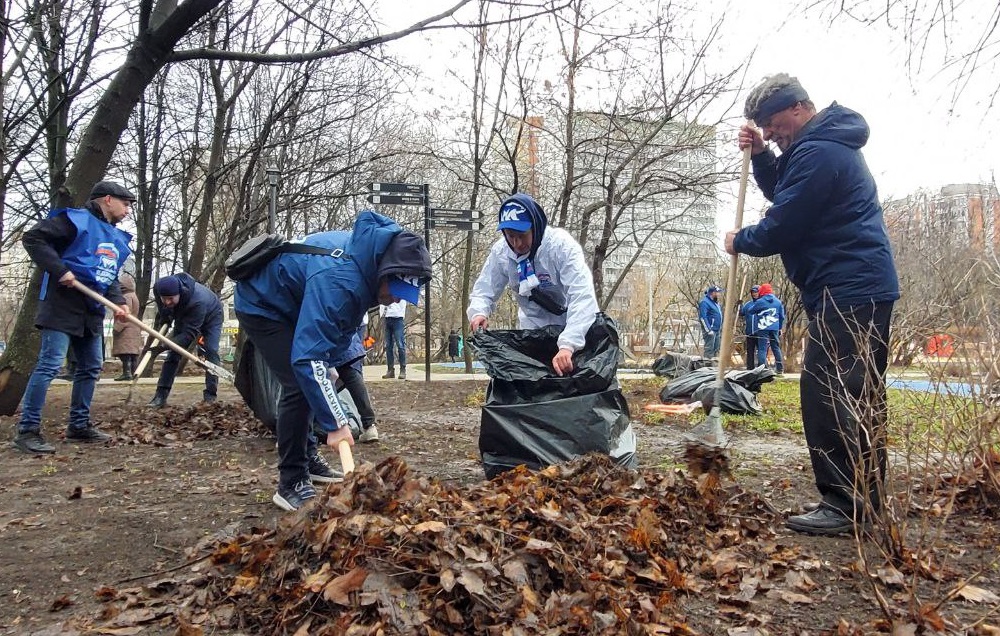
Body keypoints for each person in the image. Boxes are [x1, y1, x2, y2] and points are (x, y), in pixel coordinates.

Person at [725, 73, 899, 536]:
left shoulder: (820, 151)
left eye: (771, 122)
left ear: (798, 107)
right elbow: (784, 190)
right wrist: (763, 157)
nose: (768, 132)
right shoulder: (817, 146)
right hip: (850, 288)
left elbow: (785, 222)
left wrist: (740, 239)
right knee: (855, 395)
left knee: (830, 394)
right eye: (761, 126)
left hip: (849, 289)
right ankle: (861, 498)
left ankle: (846, 505)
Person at [234, 210, 431, 511]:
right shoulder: (342, 279)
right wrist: (335, 423)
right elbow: (308, 357)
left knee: (316, 379)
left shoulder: (365, 268)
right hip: (263, 303)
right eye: (396, 290)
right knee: (299, 384)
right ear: (385, 273)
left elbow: (339, 329)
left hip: (293, 304)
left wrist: (334, 365)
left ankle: (308, 458)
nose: (397, 300)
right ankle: (291, 481)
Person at [12, 180, 134, 454]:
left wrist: (117, 303)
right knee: (50, 364)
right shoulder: (74, 221)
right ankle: (27, 430)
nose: (127, 211)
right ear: (107, 200)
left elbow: (108, 275)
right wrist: (59, 270)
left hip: (91, 310)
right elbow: (33, 238)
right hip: (61, 306)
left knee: (91, 366)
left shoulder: (112, 237)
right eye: (125, 205)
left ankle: (78, 426)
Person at [467, 193, 599, 376]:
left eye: (522, 235)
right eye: (510, 236)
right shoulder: (502, 253)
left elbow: (582, 296)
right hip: (533, 331)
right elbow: (485, 288)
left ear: (535, 228)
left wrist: (568, 345)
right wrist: (479, 312)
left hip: (571, 327)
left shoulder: (560, 247)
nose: (517, 243)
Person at [146, 273, 224, 408]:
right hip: (185, 314)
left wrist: (165, 345)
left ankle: (210, 396)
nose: (167, 302)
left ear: (179, 294)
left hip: (212, 316)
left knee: (211, 351)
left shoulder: (197, 301)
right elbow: (163, 308)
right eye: (164, 299)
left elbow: (189, 335)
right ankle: (160, 396)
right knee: (173, 355)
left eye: (171, 299)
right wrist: (165, 318)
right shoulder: (158, 289)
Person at [112, 272, 142, 381]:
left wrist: (117, 328)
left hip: (126, 329)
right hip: (134, 327)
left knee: (126, 354)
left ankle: (127, 373)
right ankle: (134, 373)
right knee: (132, 354)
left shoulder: (125, 297)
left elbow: (125, 315)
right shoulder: (134, 295)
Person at [750, 283, 785, 374]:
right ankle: (780, 369)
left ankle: (763, 369)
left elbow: (751, 311)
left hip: (763, 327)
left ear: (762, 291)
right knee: (776, 347)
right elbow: (782, 316)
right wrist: (780, 327)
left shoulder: (760, 301)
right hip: (775, 328)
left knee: (762, 348)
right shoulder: (778, 302)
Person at [379, 299, 407, 379]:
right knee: (388, 346)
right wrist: (382, 314)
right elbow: (382, 302)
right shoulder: (386, 288)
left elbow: (402, 304)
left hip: (398, 319)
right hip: (387, 318)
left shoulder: (400, 290)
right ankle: (390, 370)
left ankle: (403, 369)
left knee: (400, 345)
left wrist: (399, 314)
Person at [698, 286, 724, 359]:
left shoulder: (715, 303)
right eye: (718, 293)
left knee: (716, 349)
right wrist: (709, 330)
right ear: (713, 293)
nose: (719, 294)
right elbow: (703, 317)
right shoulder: (705, 302)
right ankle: (707, 366)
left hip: (717, 329)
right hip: (710, 330)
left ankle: (714, 367)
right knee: (709, 349)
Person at [740, 285, 761, 370]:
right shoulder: (748, 304)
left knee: (761, 351)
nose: (754, 294)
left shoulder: (763, 303)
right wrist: (740, 306)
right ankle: (750, 368)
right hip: (750, 332)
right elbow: (742, 313)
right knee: (750, 351)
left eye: (756, 292)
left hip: (760, 332)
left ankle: (761, 367)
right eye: (753, 292)